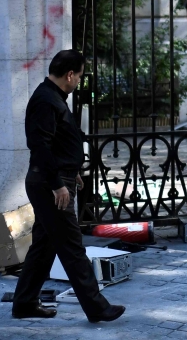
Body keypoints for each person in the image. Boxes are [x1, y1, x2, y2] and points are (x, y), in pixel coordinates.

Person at [12, 49, 125, 323]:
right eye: (80, 76)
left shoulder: (52, 97)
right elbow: (39, 145)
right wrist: (57, 183)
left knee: (44, 246)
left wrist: (71, 172)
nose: (80, 81)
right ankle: (97, 308)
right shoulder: (46, 100)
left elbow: (57, 143)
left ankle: (25, 303)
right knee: (72, 247)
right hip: (49, 184)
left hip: (56, 179)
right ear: (70, 74)